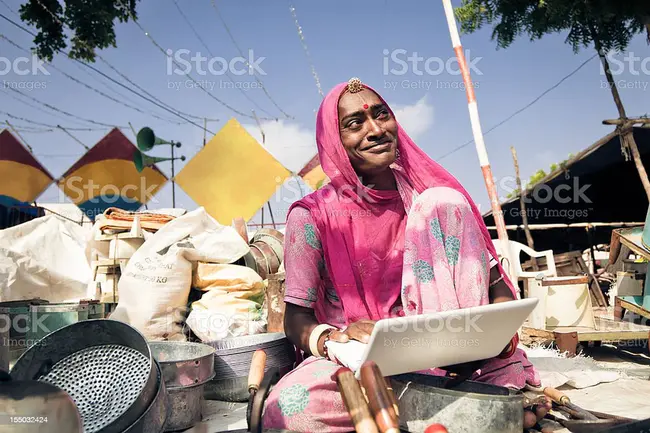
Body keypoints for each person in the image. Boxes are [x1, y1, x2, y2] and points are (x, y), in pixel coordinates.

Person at [262, 78, 550, 432]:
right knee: (288, 410)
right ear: (335, 142)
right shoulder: (311, 216)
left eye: (382, 116)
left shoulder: (432, 199)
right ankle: (452, 409)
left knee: (443, 201)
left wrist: (498, 333)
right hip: (360, 363)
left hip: (456, 360)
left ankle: (429, 403)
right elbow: (296, 317)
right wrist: (330, 341)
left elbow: (494, 284)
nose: (375, 130)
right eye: (355, 124)